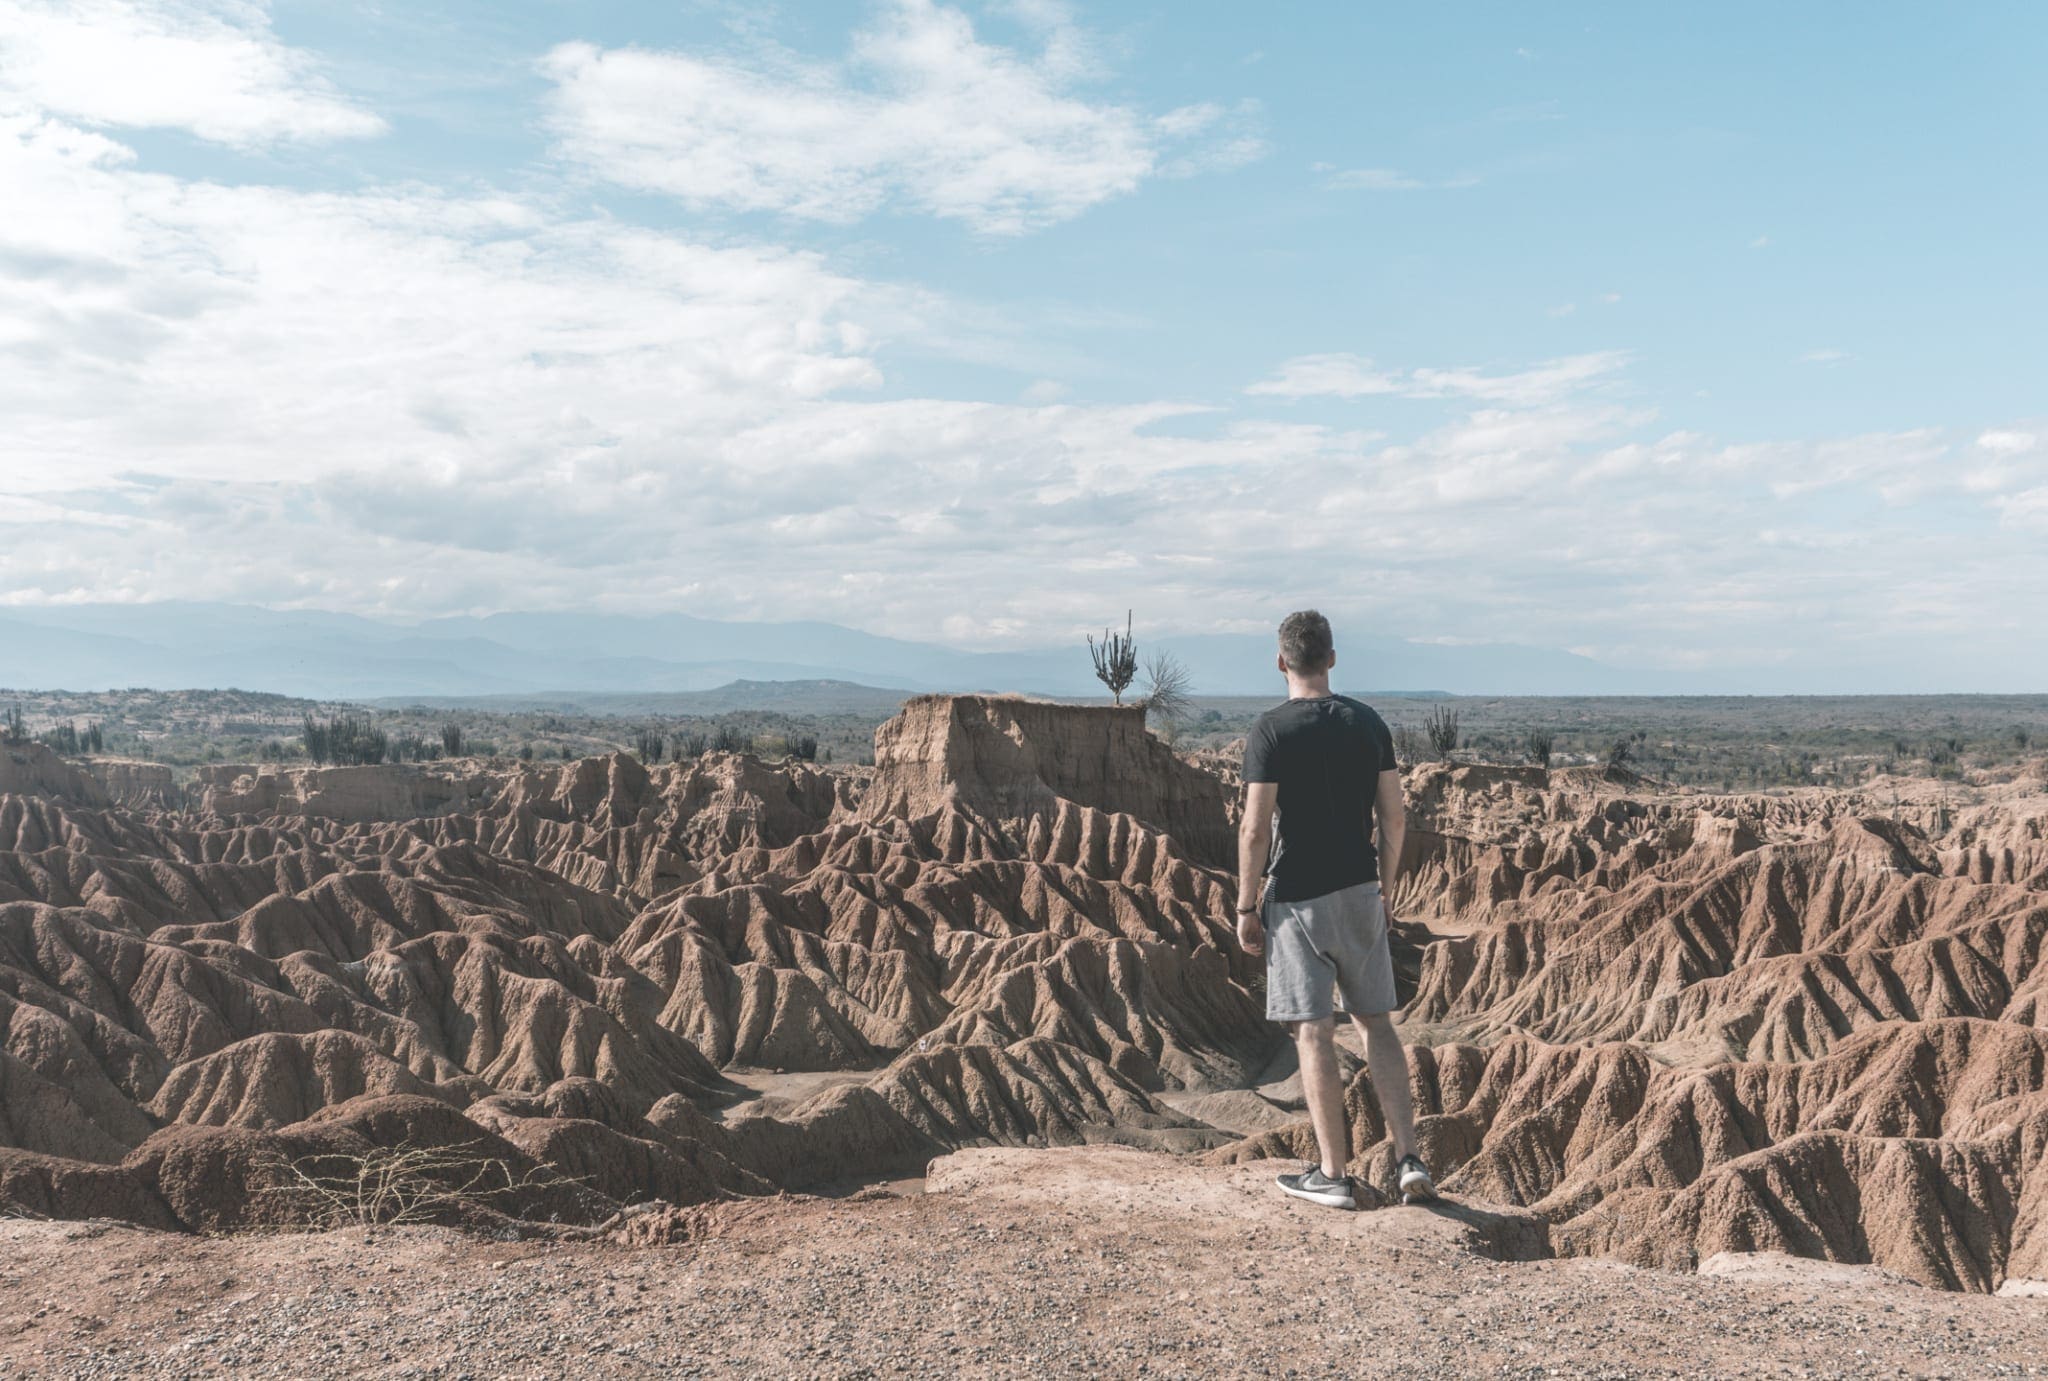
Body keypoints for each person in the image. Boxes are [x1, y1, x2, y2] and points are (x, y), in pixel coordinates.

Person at [1234, 609, 1433, 1210]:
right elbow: (1394, 815)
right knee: (1377, 1023)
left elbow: (1254, 827)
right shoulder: (1367, 723)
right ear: (1332, 658)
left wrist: (1246, 906)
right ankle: (1408, 1159)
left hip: (1297, 898)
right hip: (1360, 892)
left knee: (1313, 1031)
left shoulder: (1270, 731)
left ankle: (1333, 1175)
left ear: (1280, 662)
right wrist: (1387, 887)